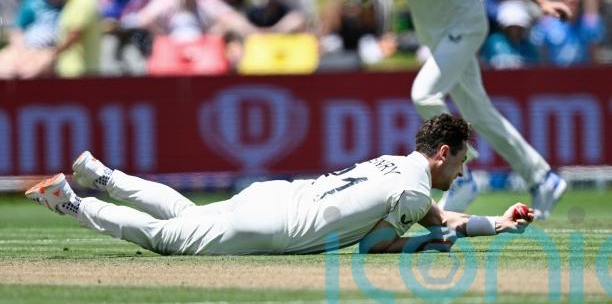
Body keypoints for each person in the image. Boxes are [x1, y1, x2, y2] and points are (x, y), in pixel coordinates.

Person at [353, 0, 571, 219]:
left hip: (466, 24)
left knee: (424, 94)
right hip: (434, 35)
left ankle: (462, 175)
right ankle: (542, 177)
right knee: (480, 113)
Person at [25, 114, 533, 255]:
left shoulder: (396, 165)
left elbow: (438, 218)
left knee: (183, 213)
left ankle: (101, 175)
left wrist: (498, 223)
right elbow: (375, 246)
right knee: (164, 239)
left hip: (274, 194)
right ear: (442, 153)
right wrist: (432, 244)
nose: (461, 173)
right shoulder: (416, 190)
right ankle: (71, 202)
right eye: (460, 162)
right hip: (274, 226)